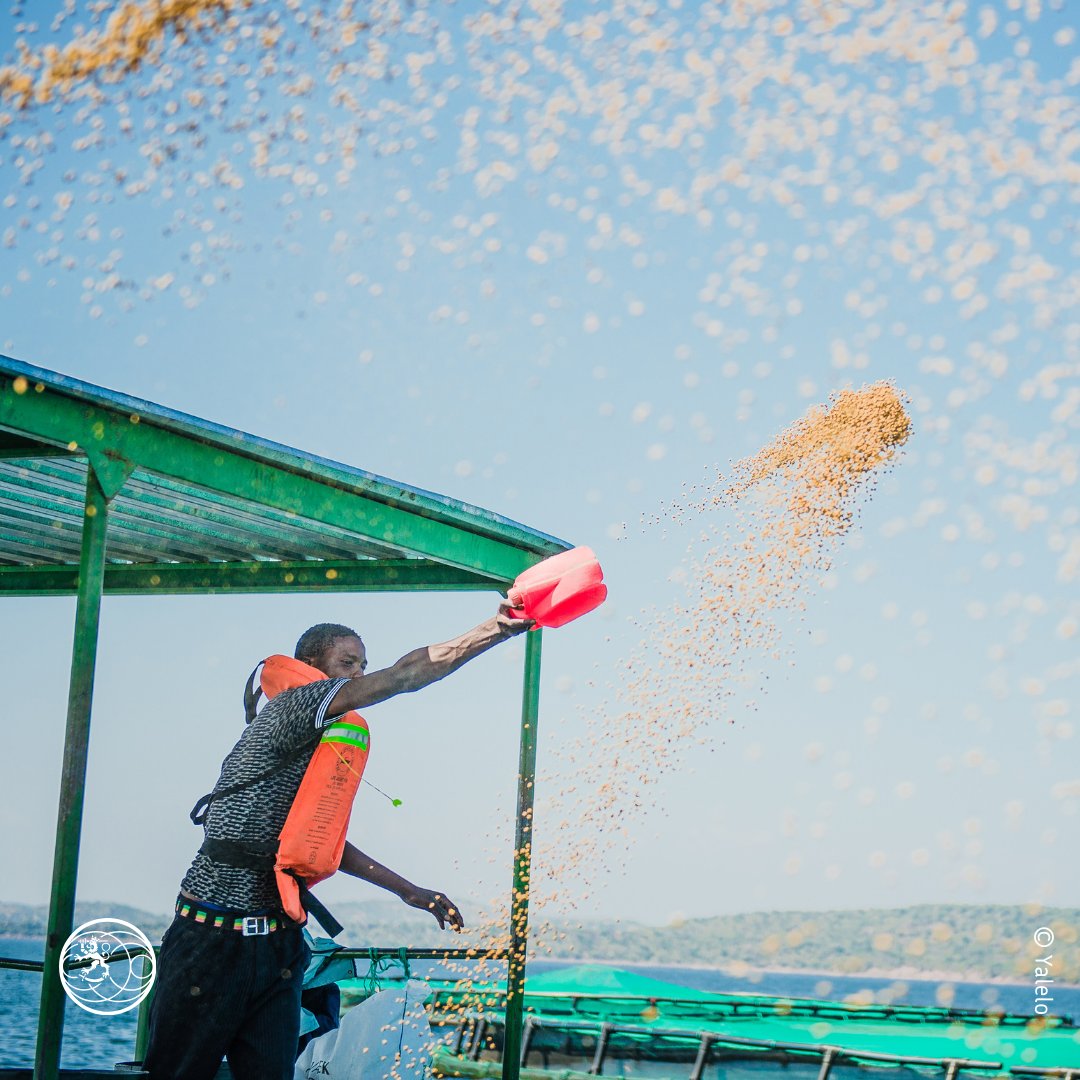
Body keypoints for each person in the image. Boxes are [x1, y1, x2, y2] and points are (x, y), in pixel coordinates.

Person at [144, 600, 533, 1080]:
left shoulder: (321, 742)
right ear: (312, 667)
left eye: (363, 666)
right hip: (211, 941)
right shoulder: (296, 706)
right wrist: (499, 628)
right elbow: (406, 674)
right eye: (348, 664)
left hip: (279, 949)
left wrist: (407, 890)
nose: (360, 675)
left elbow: (319, 844)